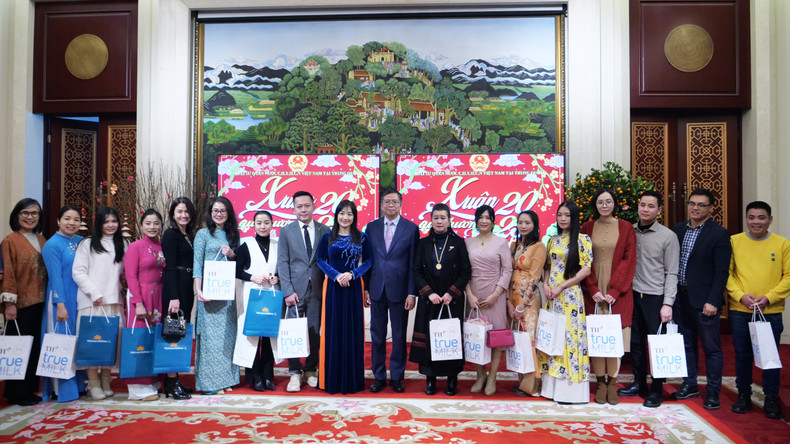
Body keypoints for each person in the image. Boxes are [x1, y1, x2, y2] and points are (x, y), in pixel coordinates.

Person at [726, 201, 789, 419]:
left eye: (761, 218)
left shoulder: (782, 244)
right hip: (740, 309)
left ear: (770, 220)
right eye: (751, 217)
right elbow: (727, 273)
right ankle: (743, 394)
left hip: (770, 311)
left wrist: (769, 298)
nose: (756, 222)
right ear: (746, 219)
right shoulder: (734, 241)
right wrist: (740, 296)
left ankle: (771, 398)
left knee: (770, 356)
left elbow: (788, 276)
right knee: (742, 355)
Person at [671, 188, 731, 410]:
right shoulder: (678, 230)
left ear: (711, 208)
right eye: (692, 203)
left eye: (701, 205)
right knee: (686, 345)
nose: (695, 208)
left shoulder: (719, 234)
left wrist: (714, 301)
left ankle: (713, 392)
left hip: (705, 302)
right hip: (681, 298)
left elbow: (722, 271)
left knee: (711, 348)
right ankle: (690, 384)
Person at [618, 190, 679, 408]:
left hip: (656, 297)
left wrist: (667, 303)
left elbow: (672, 272)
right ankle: (639, 383)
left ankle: (656, 389)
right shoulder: (629, 231)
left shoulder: (668, 236)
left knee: (657, 345)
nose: (645, 209)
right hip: (632, 295)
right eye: (642, 204)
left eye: (651, 206)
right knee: (635, 344)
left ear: (659, 210)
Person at [580, 187, 636, 405]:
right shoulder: (586, 227)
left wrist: (614, 290)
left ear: (615, 204)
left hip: (618, 293)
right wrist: (592, 289)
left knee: (613, 341)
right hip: (592, 291)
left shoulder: (626, 227)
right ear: (595, 204)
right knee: (596, 339)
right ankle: (600, 382)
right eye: (600, 202)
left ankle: (612, 384)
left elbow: (629, 260)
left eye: (608, 202)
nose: (604, 205)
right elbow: (583, 260)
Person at [409, 203, 471, 396]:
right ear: (431, 220)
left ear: (450, 220)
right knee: (431, 341)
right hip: (430, 300)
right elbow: (416, 271)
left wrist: (450, 293)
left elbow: (465, 271)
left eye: (443, 218)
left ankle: (452, 379)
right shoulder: (423, 243)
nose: (439, 221)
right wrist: (429, 293)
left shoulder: (459, 242)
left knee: (449, 340)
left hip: (450, 300)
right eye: (436, 218)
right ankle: (430, 380)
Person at [364, 189, 419, 394]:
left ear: (400, 204)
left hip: (400, 290)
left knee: (398, 336)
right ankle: (378, 376)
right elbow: (369, 260)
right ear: (380, 204)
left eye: (394, 202)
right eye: (386, 202)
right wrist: (367, 288)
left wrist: (411, 292)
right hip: (377, 289)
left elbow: (413, 263)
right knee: (377, 335)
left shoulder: (411, 228)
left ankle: (396, 376)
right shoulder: (371, 227)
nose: (390, 205)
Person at [538, 200, 592, 404]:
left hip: (570, 296)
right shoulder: (553, 240)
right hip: (552, 297)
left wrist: (562, 286)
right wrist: (545, 284)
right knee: (553, 337)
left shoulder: (582, 240)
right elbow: (548, 267)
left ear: (574, 217)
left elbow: (585, 270)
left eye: (567, 215)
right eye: (560, 214)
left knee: (570, 338)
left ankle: (570, 391)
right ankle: (551, 388)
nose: (562, 219)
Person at [316, 200, 372, 394]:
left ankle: (352, 380)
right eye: (342, 213)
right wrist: (335, 275)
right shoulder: (327, 237)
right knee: (333, 330)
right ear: (336, 215)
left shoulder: (362, 237)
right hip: (332, 288)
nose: (345, 217)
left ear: (354, 216)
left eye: (349, 214)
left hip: (354, 287)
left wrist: (353, 274)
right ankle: (332, 379)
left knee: (353, 330)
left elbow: (369, 260)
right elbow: (320, 260)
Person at [72, 206, 127, 400]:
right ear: (99, 224)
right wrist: (94, 293)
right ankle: (93, 384)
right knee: (92, 342)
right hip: (92, 302)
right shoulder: (88, 244)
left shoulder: (124, 243)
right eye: (106, 222)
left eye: (114, 221)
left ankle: (106, 380)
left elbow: (126, 273)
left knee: (111, 343)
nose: (110, 225)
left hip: (114, 302)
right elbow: (78, 271)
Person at [277, 191, 330, 392]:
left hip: (318, 289)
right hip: (294, 291)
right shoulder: (286, 231)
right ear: (293, 209)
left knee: (314, 332)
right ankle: (294, 372)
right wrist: (287, 291)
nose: (303, 209)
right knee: (293, 332)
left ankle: (310, 370)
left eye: (307, 205)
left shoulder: (324, 230)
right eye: (299, 206)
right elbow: (282, 262)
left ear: (314, 206)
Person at [1, 198, 47, 406]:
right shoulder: (10, 241)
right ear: (17, 216)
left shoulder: (42, 239)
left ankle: (29, 389)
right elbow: (7, 273)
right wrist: (9, 303)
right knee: (20, 348)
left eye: (34, 213)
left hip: (41, 302)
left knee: (35, 347)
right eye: (25, 213)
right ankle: (16, 393)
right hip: (20, 305)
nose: (30, 217)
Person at [193, 196, 240, 395]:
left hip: (227, 296)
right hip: (209, 296)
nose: (219, 214)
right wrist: (198, 291)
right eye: (215, 211)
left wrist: (231, 254)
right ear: (210, 214)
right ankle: (210, 384)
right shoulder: (203, 234)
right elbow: (197, 264)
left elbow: (240, 263)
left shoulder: (233, 235)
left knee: (226, 340)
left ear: (228, 214)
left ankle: (225, 380)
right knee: (210, 341)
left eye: (223, 211)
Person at [41, 205, 87, 402]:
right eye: (67, 218)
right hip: (61, 298)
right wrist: (60, 304)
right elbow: (55, 276)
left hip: (79, 297)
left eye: (76, 219)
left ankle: (79, 384)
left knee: (76, 340)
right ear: (59, 220)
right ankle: (61, 389)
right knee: (60, 340)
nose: (72, 223)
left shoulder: (81, 242)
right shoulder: (52, 245)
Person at [465, 205, 513, 396]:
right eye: (481, 217)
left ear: (493, 221)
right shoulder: (467, 242)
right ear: (476, 220)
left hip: (495, 295)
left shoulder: (502, 242)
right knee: (475, 336)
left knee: (496, 336)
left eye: (488, 217)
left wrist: (496, 294)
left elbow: (507, 270)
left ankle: (492, 376)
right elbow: (463, 271)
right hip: (473, 295)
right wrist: (469, 294)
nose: (484, 221)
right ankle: (480, 375)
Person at [123, 209, 166, 401]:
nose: (152, 227)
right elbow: (131, 277)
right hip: (141, 298)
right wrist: (137, 303)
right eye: (148, 223)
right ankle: (137, 387)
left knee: (154, 339)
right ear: (141, 225)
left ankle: (153, 380)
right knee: (140, 340)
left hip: (159, 297)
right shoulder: (135, 247)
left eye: (156, 223)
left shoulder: (162, 245)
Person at [234, 210, 279, 392]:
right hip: (252, 295)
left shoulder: (277, 245)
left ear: (271, 224)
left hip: (272, 295)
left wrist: (276, 277)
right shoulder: (246, 246)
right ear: (254, 225)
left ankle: (268, 376)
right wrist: (252, 277)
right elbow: (236, 270)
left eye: (266, 222)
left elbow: (282, 268)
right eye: (259, 223)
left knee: (269, 337)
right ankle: (254, 377)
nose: (262, 226)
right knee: (253, 335)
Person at [507, 210, 547, 397]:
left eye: (527, 223)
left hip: (528, 300)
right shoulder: (515, 245)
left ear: (535, 225)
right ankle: (521, 380)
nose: (523, 226)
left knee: (530, 340)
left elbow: (535, 277)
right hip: (512, 297)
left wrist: (523, 303)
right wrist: (509, 301)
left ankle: (532, 385)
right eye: (520, 222)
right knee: (517, 340)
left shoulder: (539, 247)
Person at [160, 196, 196, 399]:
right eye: (179, 211)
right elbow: (170, 267)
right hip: (175, 290)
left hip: (186, 287)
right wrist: (174, 297)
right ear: (173, 214)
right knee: (173, 334)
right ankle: (171, 383)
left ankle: (174, 380)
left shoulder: (187, 235)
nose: (183, 215)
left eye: (186, 211)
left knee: (181, 333)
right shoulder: (170, 235)